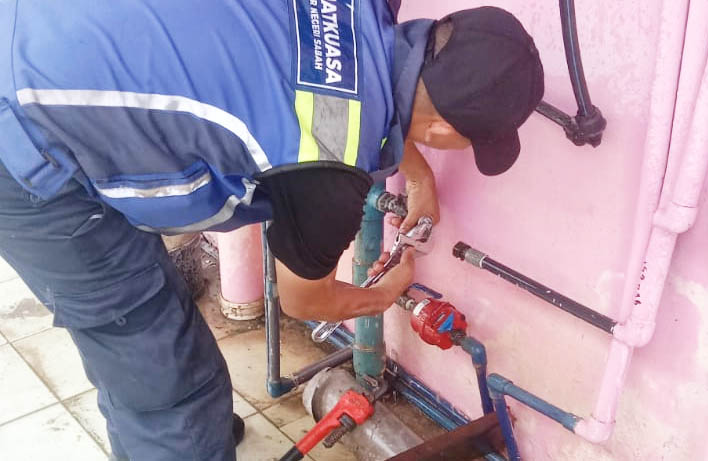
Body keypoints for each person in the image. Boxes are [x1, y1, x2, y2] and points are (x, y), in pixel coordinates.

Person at [0, 2, 543, 460]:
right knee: (165, 378)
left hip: (44, 29)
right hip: (22, 134)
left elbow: (364, 85)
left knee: (166, 339)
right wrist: (381, 295)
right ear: (442, 129)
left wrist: (418, 177)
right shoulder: (331, 170)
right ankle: (181, 436)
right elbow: (304, 300)